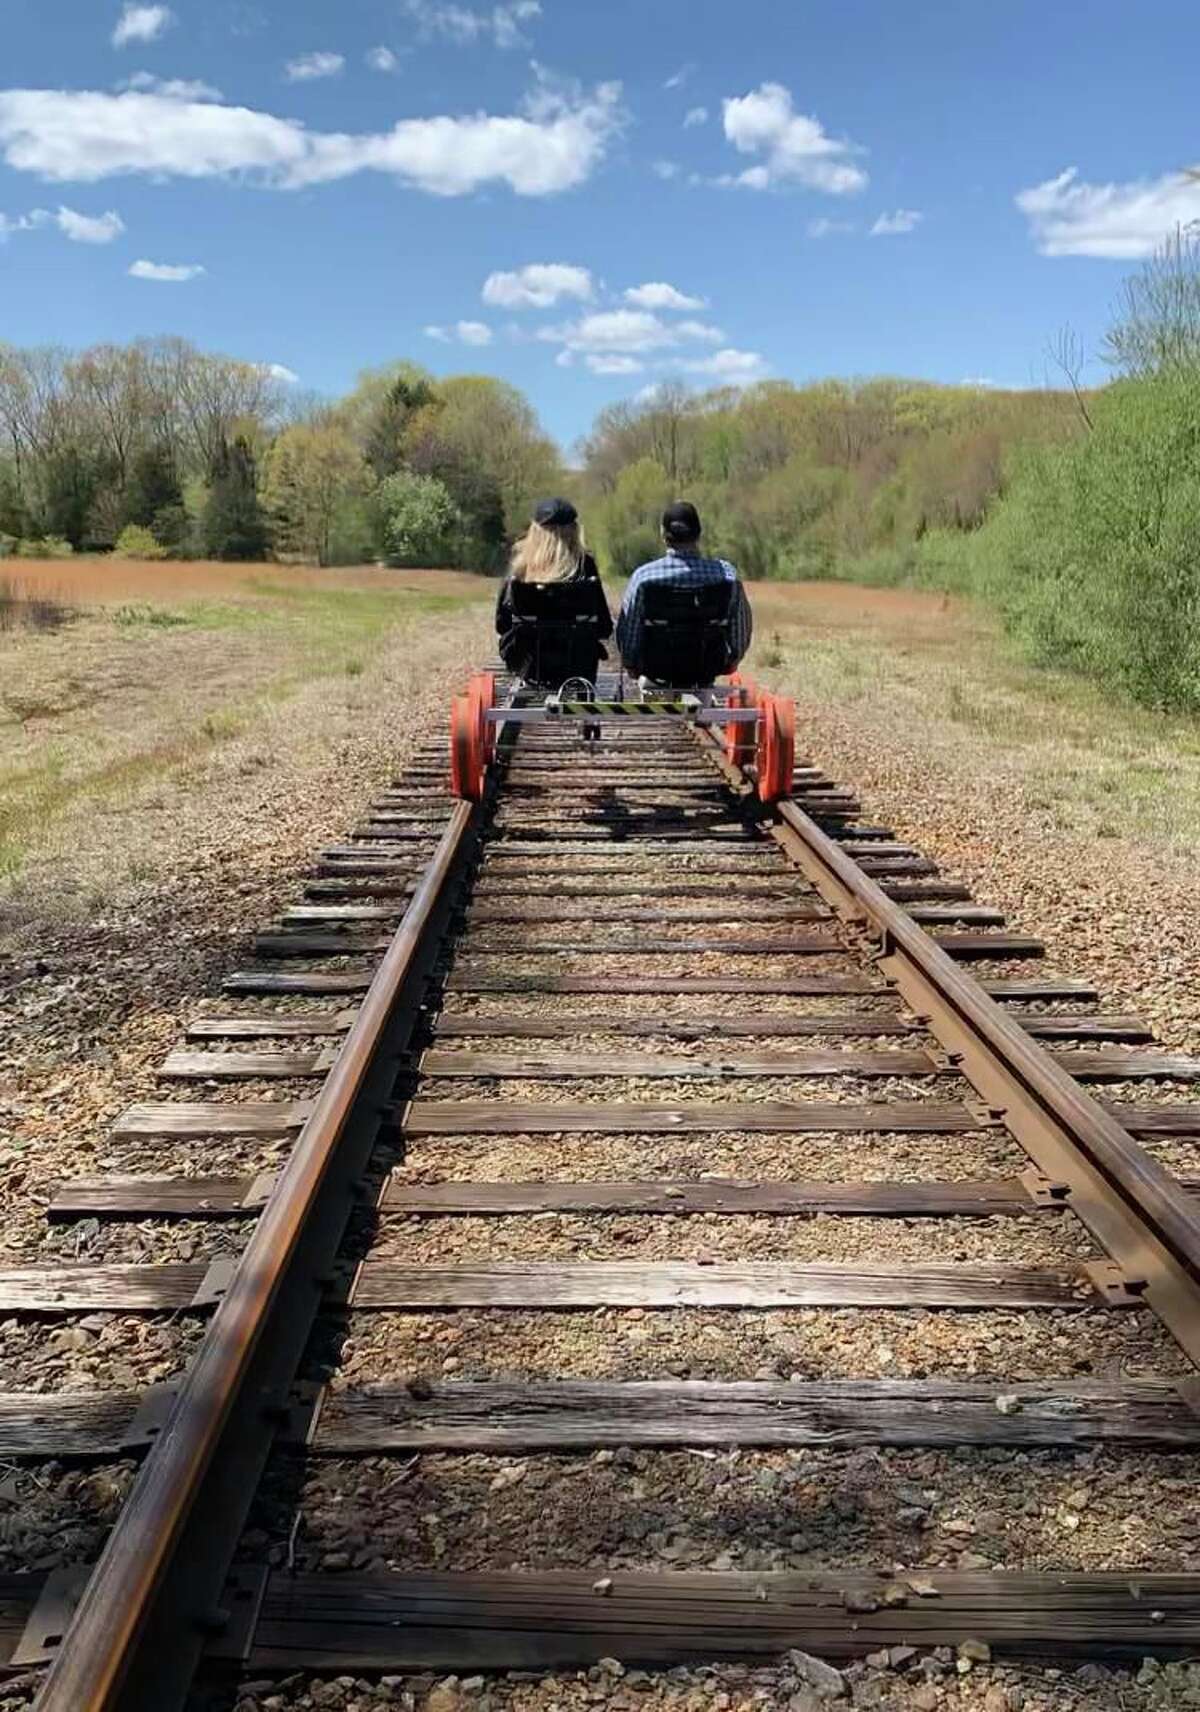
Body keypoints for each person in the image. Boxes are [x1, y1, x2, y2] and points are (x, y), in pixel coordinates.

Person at [616, 500, 752, 689]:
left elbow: (629, 628)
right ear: (698, 534)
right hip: (707, 666)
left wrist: (631, 663)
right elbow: (740, 627)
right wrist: (733, 659)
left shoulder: (644, 577)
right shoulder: (727, 576)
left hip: (657, 668)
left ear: (663, 534)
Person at [495, 498, 613, 686]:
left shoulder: (520, 568)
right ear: (574, 530)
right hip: (578, 667)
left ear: (535, 531)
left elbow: (502, 624)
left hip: (531, 667)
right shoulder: (585, 565)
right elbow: (604, 627)